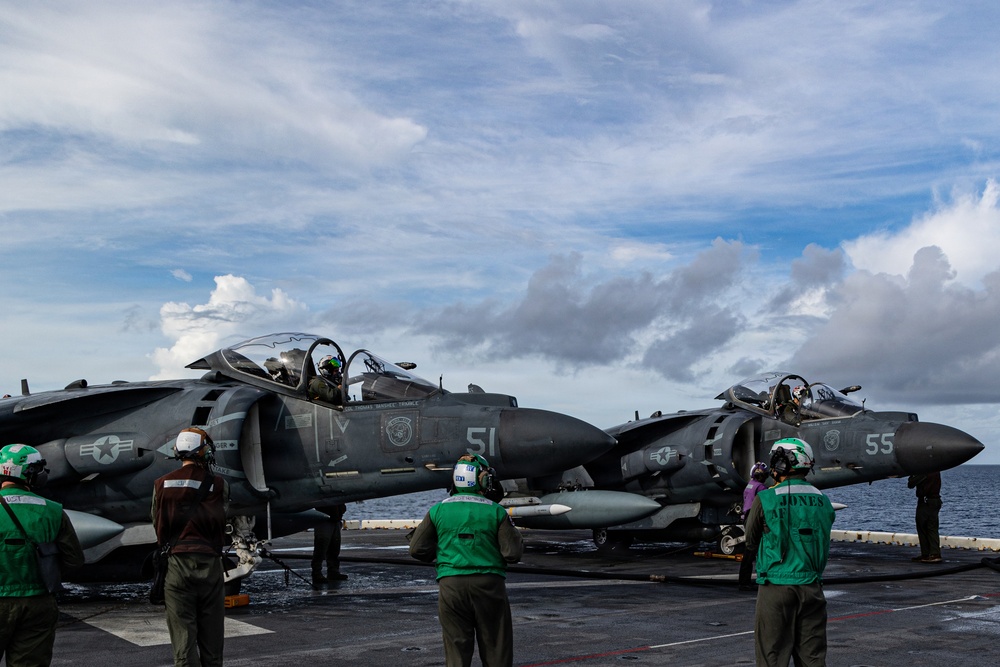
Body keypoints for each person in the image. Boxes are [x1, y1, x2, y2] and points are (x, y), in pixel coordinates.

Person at [409, 454, 523, 667]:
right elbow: (512, 554)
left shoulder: (438, 510)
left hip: (451, 586)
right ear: (481, 480)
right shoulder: (496, 511)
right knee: (496, 648)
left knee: (456, 652)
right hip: (489, 586)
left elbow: (416, 549)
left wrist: (447, 554)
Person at [744, 438, 835, 667]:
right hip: (812, 588)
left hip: (776, 588)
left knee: (771, 656)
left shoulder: (765, 498)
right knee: (813, 658)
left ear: (783, 464)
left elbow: (750, 539)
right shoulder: (823, 500)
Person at [1, 443, 84, 667]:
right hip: (38, 603)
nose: (41, 474)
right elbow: (74, 559)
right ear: (26, 473)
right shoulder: (53, 510)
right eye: (37, 468)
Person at [152, 427, 229, 667]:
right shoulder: (218, 484)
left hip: (176, 567)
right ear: (203, 451)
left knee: (183, 646)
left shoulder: (160, 484)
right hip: (209, 567)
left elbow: (157, 523)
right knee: (212, 646)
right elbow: (222, 517)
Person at [738, 461, 770, 591]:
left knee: (749, 550)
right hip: (755, 518)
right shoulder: (761, 488)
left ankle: (744, 581)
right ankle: (749, 581)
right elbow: (765, 504)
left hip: (746, 518)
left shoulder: (750, 485)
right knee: (756, 550)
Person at [907, 472, 942, 563]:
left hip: (926, 502)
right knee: (932, 527)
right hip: (934, 500)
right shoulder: (936, 470)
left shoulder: (924, 471)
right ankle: (932, 553)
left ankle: (929, 554)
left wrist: (912, 474)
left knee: (923, 527)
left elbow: (911, 484)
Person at [312, 503, 348, 583]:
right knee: (321, 547)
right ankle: (317, 573)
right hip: (325, 519)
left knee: (334, 548)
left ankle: (333, 571)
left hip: (335, 519)